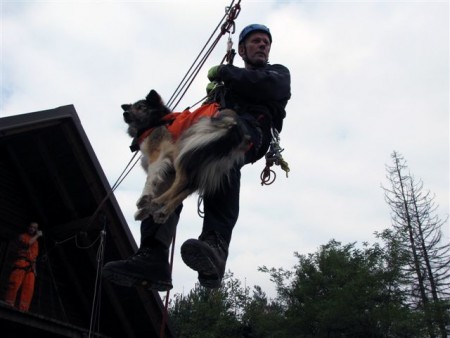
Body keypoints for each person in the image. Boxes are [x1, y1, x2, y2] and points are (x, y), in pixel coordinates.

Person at [103, 24, 291, 291]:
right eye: (255, 41)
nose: (262, 45)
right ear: (241, 49)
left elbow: (264, 86)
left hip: (248, 130)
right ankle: (152, 255)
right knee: (166, 172)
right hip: (211, 126)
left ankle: (215, 245)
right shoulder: (227, 87)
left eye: (265, 42)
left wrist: (224, 72)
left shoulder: (277, 74)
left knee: (225, 151)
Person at [3, 221, 43, 311]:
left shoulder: (36, 242)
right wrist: (38, 235)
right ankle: (9, 304)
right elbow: (27, 243)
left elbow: (34, 257)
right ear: (28, 227)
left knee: (29, 288)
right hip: (21, 262)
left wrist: (35, 270)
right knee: (15, 283)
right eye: (31, 227)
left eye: (35, 228)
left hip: (31, 266)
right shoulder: (22, 236)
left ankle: (23, 309)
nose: (32, 229)